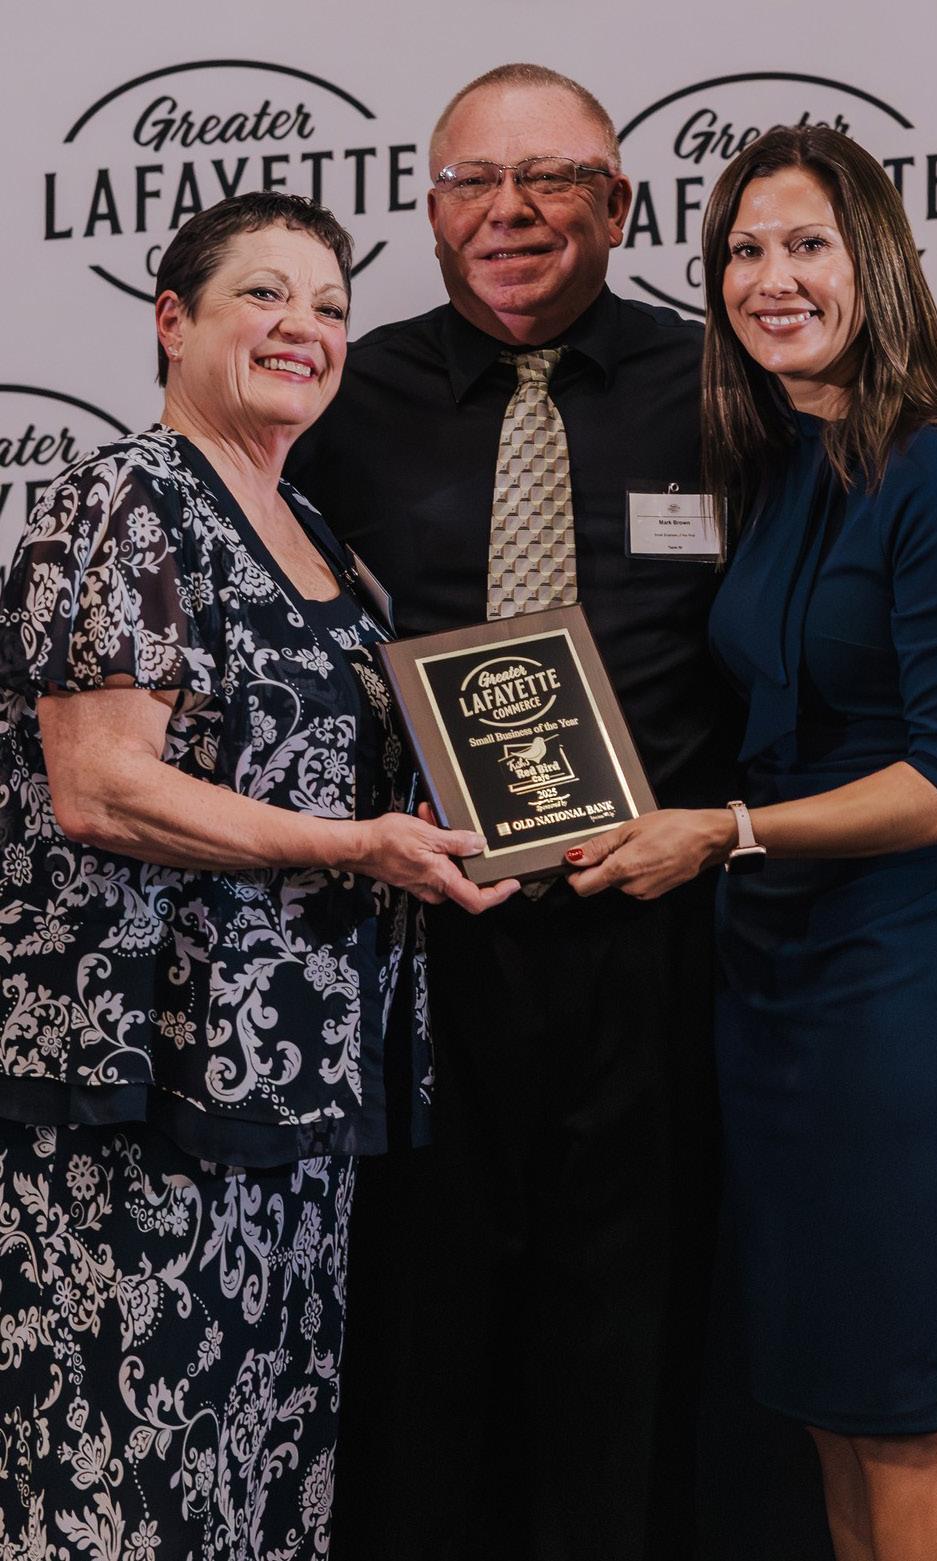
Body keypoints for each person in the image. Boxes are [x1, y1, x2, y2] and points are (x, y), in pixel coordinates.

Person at [0, 190, 516, 1561]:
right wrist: (358, 846)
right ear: (173, 321)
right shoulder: (121, 499)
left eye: (332, 305)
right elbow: (101, 785)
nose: (307, 327)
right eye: (265, 295)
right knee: (127, 1473)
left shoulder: (316, 531)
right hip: (142, 1089)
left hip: (291, 1089)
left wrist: (447, 822)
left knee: (262, 1474)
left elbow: (321, 771)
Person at [287, 62, 737, 1561]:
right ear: (428, 210)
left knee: (629, 1340)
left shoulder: (721, 387)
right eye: (473, 180)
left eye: (551, 179)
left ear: (619, 203)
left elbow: (832, 599)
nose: (511, 211)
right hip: (419, 940)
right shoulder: (343, 395)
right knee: (423, 1344)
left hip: (654, 939)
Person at [567, 126, 937, 1560]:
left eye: (807, 243)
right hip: (768, 981)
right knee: (823, 1400)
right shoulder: (783, 461)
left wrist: (728, 831)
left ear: (875, 258)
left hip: (894, 992)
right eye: (743, 252)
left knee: (902, 1411)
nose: (772, 278)